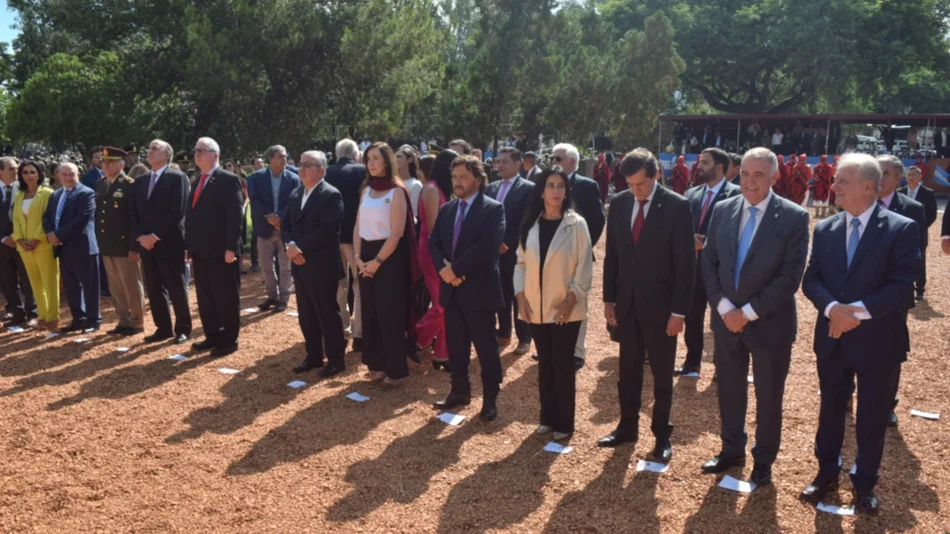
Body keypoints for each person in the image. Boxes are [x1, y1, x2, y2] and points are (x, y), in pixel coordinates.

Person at [800, 153, 920, 515]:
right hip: (833, 337)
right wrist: (833, 309)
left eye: (841, 181)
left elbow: (903, 287)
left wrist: (855, 313)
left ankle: (864, 483)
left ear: (869, 187)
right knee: (831, 411)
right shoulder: (824, 229)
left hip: (878, 342)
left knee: (871, 417)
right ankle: (826, 474)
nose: (832, 186)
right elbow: (812, 279)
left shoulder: (901, 228)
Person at [698, 147, 810, 486]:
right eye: (745, 173)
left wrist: (745, 313)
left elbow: (790, 276)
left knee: (769, 394)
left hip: (769, 324)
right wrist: (723, 308)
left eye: (758, 175)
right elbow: (710, 262)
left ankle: (763, 459)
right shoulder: (723, 209)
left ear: (775, 177)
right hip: (725, 321)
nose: (750, 181)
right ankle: (732, 450)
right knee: (730, 389)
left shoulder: (793, 217)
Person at [599, 148, 694, 463]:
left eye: (641, 184)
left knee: (663, 374)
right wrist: (608, 299)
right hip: (626, 305)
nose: (635, 190)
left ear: (655, 176)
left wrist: (679, 312)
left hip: (663, 309)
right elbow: (613, 255)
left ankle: (662, 435)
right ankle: (627, 427)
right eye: (630, 184)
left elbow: (685, 266)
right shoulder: (620, 203)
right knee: (627, 370)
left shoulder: (678, 207)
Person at [514, 167, 592, 441]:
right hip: (536, 307)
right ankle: (547, 417)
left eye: (561, 186)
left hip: (565, 309)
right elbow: (521, 263)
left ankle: (564, 423)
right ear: (541, 190)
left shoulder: (576, 224)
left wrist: (570, 301)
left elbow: (584, 266)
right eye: (551, 185)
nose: (556, 191)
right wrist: (521, 296)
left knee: (562, 365)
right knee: (545, 364)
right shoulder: (531, 225)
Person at [429, 155, 505, 421]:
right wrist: (444, 271)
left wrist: (455, 270)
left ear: (477, 178)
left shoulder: (493, 209)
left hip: (480, 292)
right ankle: (459, 392)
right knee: (457, 347)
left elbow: (486, 247)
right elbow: (433, 243)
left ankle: (490, 399)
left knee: (486, 348)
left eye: (463, 177)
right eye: (454, 177)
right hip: (452, 291)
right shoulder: (448, 209)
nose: (458, 182)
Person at [353, 142, 417, 387]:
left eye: (375, 158)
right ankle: (378, 364)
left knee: (389, 315)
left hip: (389, 258)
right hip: (365, 255)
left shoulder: (397, 190)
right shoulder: (366, 189)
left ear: (387, 161)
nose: (371, 163)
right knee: (370, 314)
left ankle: (396, 370)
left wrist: (377, 262)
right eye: (368, 158)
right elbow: (358, 226)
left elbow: (397, 232)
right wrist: (358, 259)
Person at [282, 150, 347, 377]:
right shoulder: (296, 193)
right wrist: (290, 244)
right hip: (300, 264)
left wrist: (298, 248)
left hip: (321, 264)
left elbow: (326, 230)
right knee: (306, 313)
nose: (301, 168)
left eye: (307, 165)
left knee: (326, 313)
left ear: (321, 170)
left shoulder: (331, 195)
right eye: (300, 164)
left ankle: (336, 360)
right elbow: (286, 223)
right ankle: (313, 355)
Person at [679, 148, 741, 377]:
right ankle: (692, 362)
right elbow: (681, 228)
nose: (699, 166)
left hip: (722, 271)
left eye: (704, 162)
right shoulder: (691, 194)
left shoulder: (737, 195)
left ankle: (721, 367)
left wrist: (705, 244)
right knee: (692, 316)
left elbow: (737, 233)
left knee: (722, 318)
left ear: (719, 167)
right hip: (693, 269)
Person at [186, 137, 244, 358]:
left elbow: (235, 216)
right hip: (201, 250)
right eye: (196, 150)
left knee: (226, 296)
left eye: (203, 150)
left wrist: (231, 248)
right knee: (206, 296)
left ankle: (229, 340)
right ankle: (213, 335)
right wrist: (189, 247)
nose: (197, 154)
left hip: (221, 251)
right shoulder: (197, 180)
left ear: (215, 156)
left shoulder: (228, 180)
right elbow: (191, 216)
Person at [130, 139, 191, 344]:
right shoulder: (141, 181)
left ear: (167, 154)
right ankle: (163, 328)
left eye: (155, 149)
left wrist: (154, 236)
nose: (150, 152)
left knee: (176, 286)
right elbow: (134, 212)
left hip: (169, 241)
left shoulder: (177, 178)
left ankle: (183, 327)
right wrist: (141, 237)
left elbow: (177, 212)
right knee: (154, 288)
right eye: (149, 149)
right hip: (147, 245)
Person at [551, 143, 605, 370]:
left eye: (558, 158)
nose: (554, 161)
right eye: (552, 157)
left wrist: (583, 248)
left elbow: (597, 220)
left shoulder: (586, 186)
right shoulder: (546, 183)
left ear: (572, 162)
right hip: (551, 255)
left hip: (577, 256)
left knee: (577, 299)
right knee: (552, 298)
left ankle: (577, 351)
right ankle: (553, 347)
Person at [485, 147, 534, 355]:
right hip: (494, 253)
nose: (500, 165)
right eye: (499, 161)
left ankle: (524, 338)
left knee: (519, 293)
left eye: (505, 161)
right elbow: (485, 216)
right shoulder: (492, 187)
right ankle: (503, 332)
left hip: (516, 252)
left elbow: (527, 220)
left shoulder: (528, 188)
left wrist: (509, 242)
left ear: (517, 164)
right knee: (500, 294)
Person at [44, 162, 100, 333]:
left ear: (78, 174)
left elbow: (82, 219)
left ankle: (93, 320)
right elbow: (46, 217)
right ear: (59, 176)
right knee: (71, 286)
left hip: (83, 247)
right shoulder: (55, 194)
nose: (68, 178)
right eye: (65, 174)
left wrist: (58, 235)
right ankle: (78, 318)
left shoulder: (86, 193)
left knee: (90, 286)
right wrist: (50, 234)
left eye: (72, 174)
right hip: (63, 248)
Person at [95, 147, 146, 336]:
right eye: (103, 161)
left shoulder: (129, 185)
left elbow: (134, 218)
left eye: (110, 162)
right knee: (115, 285)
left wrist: (134, 246)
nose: (105, 165)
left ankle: (137, 320)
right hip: (108, 244)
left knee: (131, 284)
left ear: (122, 164)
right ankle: (123, 318)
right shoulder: (101, 184)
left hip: (125, 245)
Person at [247, 145, 299, 313]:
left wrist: (279, 218)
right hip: (264, 228)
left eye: (285, 156)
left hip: (285, 229)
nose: (284, 159)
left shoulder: (293, 178)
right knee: (266, 264)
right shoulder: (255, 178)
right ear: (271, 159)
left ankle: (284, 298)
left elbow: (294, 201)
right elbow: (255, 201)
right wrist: (269, 217)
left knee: (285, 266)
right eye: (280, 156)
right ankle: (272, 295)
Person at [325, 139, 365, 350]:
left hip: (333, 237)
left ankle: (342, 329)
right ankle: (360, 333)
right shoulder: (362, 171)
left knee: (339, 284)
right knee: (360, 285)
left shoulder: (327, 172)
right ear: (355, 154)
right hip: (357, 236)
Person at [416, 151, 453, 371]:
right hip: (433, 252)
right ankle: (415, 338)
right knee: (441, 304)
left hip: (444, 251)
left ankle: (443, 353)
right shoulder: (431, 189)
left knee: (448, 302)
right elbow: (431, 229)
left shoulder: (443, 189)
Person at [12, 162, 55, 329]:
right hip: (24, 247)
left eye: (32, 172)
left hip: (42, 245)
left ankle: (52, 316)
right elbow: (15, 219)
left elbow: (47, 219)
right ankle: (43, 316)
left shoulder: (47, 193)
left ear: (39, 174)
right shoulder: (19, 196)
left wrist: (36, 239)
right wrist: (19, 239)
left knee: (49, 281)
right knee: (35, 283)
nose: (29, 175)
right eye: (25, 172)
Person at [0, 157, 37, 327]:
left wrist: (16, 237)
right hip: (2, 244)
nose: (16, 172)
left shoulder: (23, 189)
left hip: (23, 241)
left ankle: (32, 313)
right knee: (8, 281)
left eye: (17, 169)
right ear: (1, 171)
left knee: (27, 278)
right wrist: (4, 238)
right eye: (12, 169)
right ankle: (16, 311)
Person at [898, 166, 936, 300]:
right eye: (909, 174)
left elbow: (932, 214)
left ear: (920, 177)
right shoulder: (900, 192)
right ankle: (903, 286)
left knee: (919, 260)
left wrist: (921, 227)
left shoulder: (928, 193)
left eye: (914, 174)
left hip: (919, 233)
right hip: (900, 233)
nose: (911, 177)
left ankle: (920, 289)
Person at [396, 145, 423, 219]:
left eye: (399, 157)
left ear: (409, 160)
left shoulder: (415, 185)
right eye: (394, 157)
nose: (395, 159)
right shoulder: (391, 182)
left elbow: (413, 212)